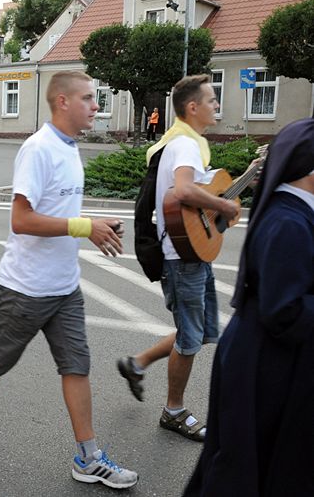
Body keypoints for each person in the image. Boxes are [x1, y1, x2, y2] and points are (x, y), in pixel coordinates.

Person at [0, 71, 138, 490]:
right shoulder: (38, 149)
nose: (96, 106)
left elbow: (61, 213)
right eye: (88, 98)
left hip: (64, 286)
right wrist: (85, 227)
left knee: (77, 365)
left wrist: (98, 228)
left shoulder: (70, 149)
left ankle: (88, 456)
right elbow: (21, 219)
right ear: (63, 102)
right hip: (27, 286)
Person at [184, 118, 314, 497]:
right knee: (243, 468)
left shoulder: (292, 210)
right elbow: (283, 311)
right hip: (263, 366)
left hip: (265, 358)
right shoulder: (288, 220)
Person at [117, 74, 240, 442]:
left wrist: (217, 214)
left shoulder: (184, 142)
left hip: (189, 252)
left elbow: (189, 199)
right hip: (182, 258)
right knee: (191, 337)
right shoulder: (185, 143)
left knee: (198, 331)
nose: (216, 105)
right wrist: (222, 204)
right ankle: (173, 412)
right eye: (212, 100)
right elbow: (185, 190)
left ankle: (136, 364)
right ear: (192, 107)